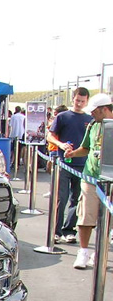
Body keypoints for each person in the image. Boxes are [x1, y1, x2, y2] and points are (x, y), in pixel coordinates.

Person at [64, 93, 113, 269]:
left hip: (110, 180)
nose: (91, 114)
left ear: (104, 109)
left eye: (94, 111)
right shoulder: (92, 125)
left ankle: (100, 252)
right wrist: (72, 153)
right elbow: (86, 148)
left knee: (108, 219)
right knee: (85, 215)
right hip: (91, 177)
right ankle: (83, 252)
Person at [46, 87, 92, 243]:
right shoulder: (63, 117)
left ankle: (69, 230)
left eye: (82, 101)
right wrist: (61, 144)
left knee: (77, 198)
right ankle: (56, 230)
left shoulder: (90, 119)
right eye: (77, 100)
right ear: (73, 99)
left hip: (82, 165)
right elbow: (50, 135)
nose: (79, 103)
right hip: (64, 163)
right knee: (61, 197)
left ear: (87, 101)